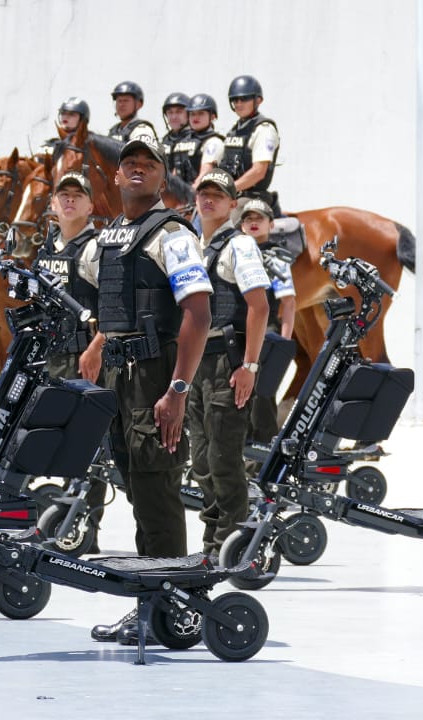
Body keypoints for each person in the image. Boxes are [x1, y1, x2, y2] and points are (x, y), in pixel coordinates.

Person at [75, 139, 211, 642]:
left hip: (156, 379)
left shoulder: (172, 235)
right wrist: (96, 344)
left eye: (148, 164)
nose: (136, 169)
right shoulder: (113, 237)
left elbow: (198, 314)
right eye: (128, 163)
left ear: (162, 177)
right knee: (138, 493)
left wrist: (177, 390)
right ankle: (152, 601)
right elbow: (118, 306)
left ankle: (176, 609)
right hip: (119, 379)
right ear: (115, 177)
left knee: (157, 493)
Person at [185, 170, 270, 559]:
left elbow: (259, 306)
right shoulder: (189, 245)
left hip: (227, 362)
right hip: (196, 362)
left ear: (232, 204)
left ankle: (231, 547)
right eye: (204, 193)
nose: (208, 200)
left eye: (217, 195)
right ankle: (211, 542)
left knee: (223, 460)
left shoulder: (240, 246)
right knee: (201, 462)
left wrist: (249, 367)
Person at [32, 172, 108, 548]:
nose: (69, 201)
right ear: (53, 204)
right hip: (51, 354)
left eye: (78, 196)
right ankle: (57, 516)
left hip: (83, 357)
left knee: (86, 442)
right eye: (63, 195)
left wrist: (96, 347)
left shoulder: (95, 248)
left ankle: (85, 529)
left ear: (91, 206)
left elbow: (112, 306)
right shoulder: (48, 248)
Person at [238, 198, 294, 447]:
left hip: (265, 331)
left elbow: (289, 302)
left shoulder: (276, 257)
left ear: (271, 224)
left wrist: (283, 342)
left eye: (258, 219)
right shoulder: (235, 251)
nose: (253, 223)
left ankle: (262, 454)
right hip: (238, 330)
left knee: (262, 396)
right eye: (248, 218)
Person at [212, 75, 280, 212]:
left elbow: (258, 172)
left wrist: (228, 189)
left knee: (224, 222)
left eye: (244, 99)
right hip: (232, 195)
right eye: (235, 100)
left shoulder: (264, 129)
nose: (238, 103)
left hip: (251, 198)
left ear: (258, 100)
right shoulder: (235, 130)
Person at [183, 93, 225, 187]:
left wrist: (187, 194)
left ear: (213, 116)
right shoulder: (184, 141)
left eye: (201, 113)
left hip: (202, 194)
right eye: (192, 114)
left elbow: (205, 174)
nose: (195, 117)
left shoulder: (214, 142)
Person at [160, 92, 194, 182]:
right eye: (170, 112)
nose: (174, 116)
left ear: (188, 114)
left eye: (179, 112)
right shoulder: (165, 140)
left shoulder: (196, 138)